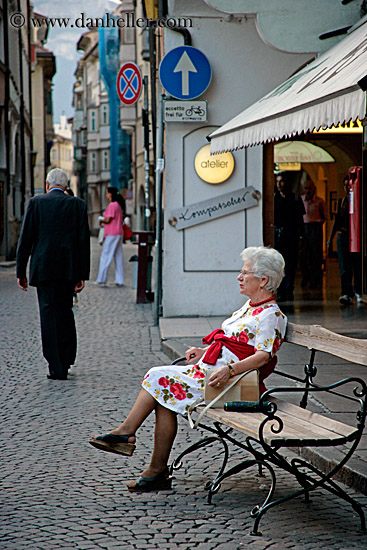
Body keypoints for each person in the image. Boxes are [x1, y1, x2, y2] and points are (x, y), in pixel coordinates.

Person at [89, 246, 287, 492]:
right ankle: (153, 469)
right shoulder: (249, 307)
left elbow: (262, 357)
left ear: (264, 279)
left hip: (229, 384)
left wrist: (229, 370)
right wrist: (205, 352)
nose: (239, 277)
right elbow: (235, 343)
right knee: (163, 393)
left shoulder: (271, 315)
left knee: (157, 376)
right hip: (211, 374)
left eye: (244, 272)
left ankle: (131, 438)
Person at [16, 168, 90, 380]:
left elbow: (26, 239)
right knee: (65, 312)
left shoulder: (36, 203)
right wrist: (81, 275)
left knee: (48, 314)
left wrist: (21, 270)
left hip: (44, 269)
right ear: (66, 187)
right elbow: (83, 243)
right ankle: (66, 360)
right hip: (68, 270)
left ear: (48, 185)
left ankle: (55, 365)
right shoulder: (78, 205)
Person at [327, 175, 362, 305]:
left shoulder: (359, 200)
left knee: (357, 265)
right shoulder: (342, 201)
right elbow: (336, 221)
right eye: (345, 185)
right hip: (344, 236)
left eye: (349, 185)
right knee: (344, 267)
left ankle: (358, 290)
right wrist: (330, 239)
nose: (347, 187)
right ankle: (346, 292)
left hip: (356, 237)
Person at [274, 172, 305, 301]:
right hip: (278, 236)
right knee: (279, 265)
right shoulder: (274, 199)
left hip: (291, 236)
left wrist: (301, 236)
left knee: (291, 264)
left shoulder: (295, 198)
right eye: (277, 181)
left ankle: (289, 289)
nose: (279, 184)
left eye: (282, 181)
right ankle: (280, 290)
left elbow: (300, 219)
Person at [300, 180, 327, 289]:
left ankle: (315, 279)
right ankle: (305, 277)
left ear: (314, 189)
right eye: (306, 188)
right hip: (304, 227)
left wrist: (318, 226)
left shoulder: (319, 201)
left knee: (316, 255)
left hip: (315, 227)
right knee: (303, 255)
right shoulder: (301, 200)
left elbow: (323, 216)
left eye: (310, 188)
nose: (308, 191)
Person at [95, 187, 124, 286]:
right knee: (118, 256)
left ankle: (101, 278)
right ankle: (119, 279)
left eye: (107, 193)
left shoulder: (112, 205)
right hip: (119, 232)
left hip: (112, 233)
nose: (106, 195)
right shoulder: (118, 205)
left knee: (106, 255)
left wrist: (101, 220)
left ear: (110, 194)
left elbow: (108, 220)